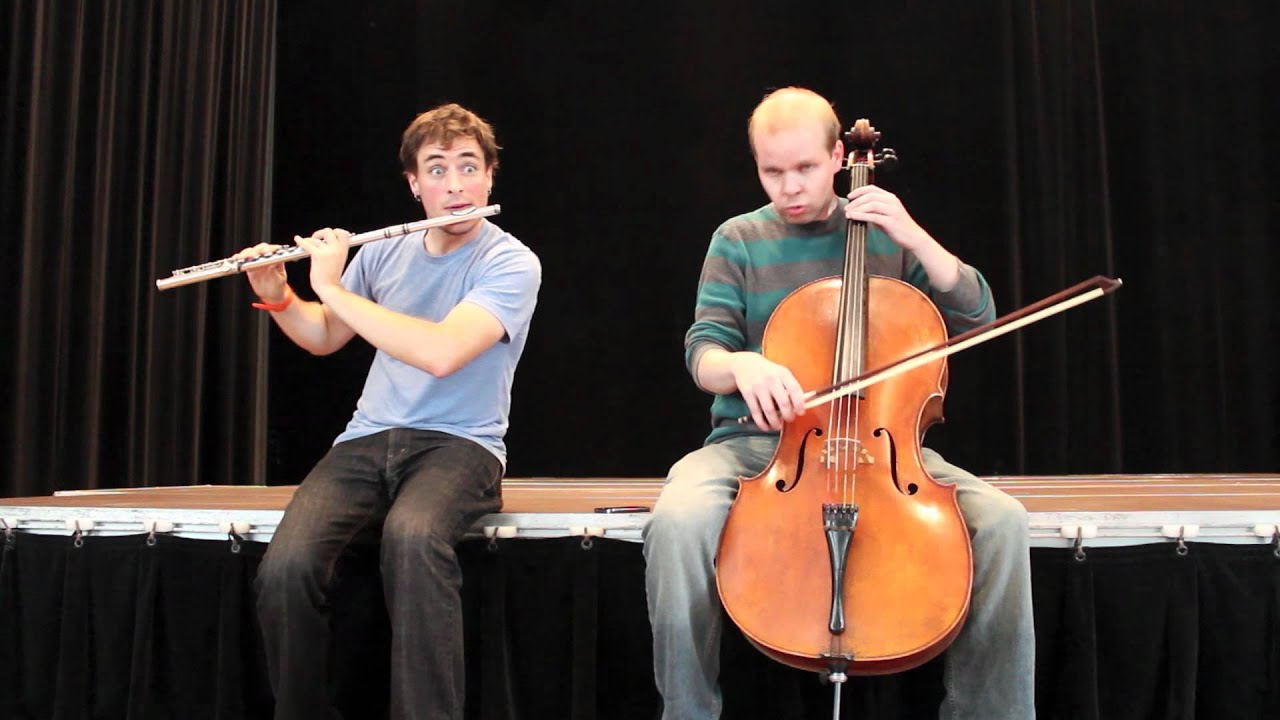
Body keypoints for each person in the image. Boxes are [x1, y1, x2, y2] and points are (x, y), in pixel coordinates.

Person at [642, 87, 1035, 719]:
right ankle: (687, 712)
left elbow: (976, 316)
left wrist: (915, 236)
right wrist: (742, 365)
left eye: (803, 168)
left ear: (836, 158)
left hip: (883, 450)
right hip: (754, 448)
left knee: (1004, 523)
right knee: (677, 520)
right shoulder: (737, 240)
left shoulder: (885, 237)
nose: (789, 186)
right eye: (773, 171)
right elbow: (704, 350)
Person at [240, 103, 541, 720]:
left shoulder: (511, 262)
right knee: (286, 567)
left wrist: (331, 286)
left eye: (467, 167)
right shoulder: (383, 255)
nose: (454, 185)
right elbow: (324, 335)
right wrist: (280, 295)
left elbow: (441, 352)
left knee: (412, 539)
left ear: (490, 176)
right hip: (366, 440)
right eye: (437, 170)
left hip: (461, 446)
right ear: (414, 183)